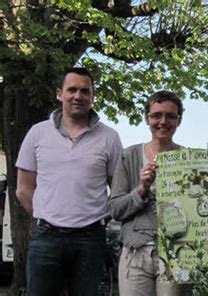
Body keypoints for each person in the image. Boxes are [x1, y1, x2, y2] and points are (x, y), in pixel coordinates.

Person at [15, 67, 123, 296]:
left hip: (90, 240)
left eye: (85, 91)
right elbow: (23, 189)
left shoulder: (109, 137)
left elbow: (118, 188)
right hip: (46, 238)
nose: (78, 96)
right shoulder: (37, 133)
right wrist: (51, 215)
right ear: (59, 93)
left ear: (92, 97)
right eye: (72, 89)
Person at [109, 90, 189, 296]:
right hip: (136, 251)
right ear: (147, 118)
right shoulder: (128, 156)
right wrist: (141, 189)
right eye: (156, 115)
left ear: (179, 120)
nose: (163, 121)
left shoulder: (190, 160)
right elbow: (115, 209)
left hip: (176, 252)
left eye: (171, 116)